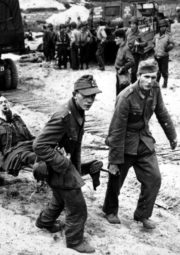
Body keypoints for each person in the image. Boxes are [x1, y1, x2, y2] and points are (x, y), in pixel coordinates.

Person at [103, 59, 177, 229]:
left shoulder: (155, 89)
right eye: (146, 77)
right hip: (124, 142)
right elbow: (116, 129)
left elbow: (161, 112)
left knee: (154, 178)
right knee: (116, 178)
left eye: (153, 77)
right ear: (138, 76)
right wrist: (114, 160)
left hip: (144, 140)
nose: (150, 81)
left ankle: (142, 215)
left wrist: (172, 136)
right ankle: (110, 210)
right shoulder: (126, 96)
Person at [34, 75, 102, 253]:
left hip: (64, 167)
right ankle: (74, 242)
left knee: (59, 197)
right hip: (56, 167)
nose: (90, 101)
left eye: (93, 96)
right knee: (78, 209)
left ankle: (44, 222)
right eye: (85, 96)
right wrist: (64, 164)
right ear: (75, 94)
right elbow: (39, 145)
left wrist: (76, 172)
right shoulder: (64, 115)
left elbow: (76, 146)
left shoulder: (78, 111)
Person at [0, 94, 36, 176]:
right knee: (34, 157)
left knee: (46, 149)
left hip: (27, 146)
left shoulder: (16, 118)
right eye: (0, 103)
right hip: (12, 153)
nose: (4, 104)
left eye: (5, 102)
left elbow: (29, 136)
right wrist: (2, 165)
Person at [153, 19, 174, 88]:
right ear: (159, 27)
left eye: (164, 26)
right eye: (161, 26)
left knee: (164, 71)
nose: (162, 28)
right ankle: (156, 83)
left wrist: (167, 48)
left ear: (166, 27)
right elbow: (153, 43)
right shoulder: (156, 36)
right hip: (157, 56)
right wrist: (154, 49)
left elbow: (172, 44)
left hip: (164, 56)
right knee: (157, 70)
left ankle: (165, 83)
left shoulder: (168, 36)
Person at [126, 17, 147, 83]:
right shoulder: (128, 32)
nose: (132, 25)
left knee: (134, 71)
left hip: (135, 53)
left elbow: (145, 43)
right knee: (125, 68)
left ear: (137, 25)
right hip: (128, 52)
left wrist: (139, 44)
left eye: (134, 24)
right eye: (131, 24)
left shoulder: (140, 33)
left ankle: (133, 84)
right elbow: (125, 40)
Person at [114, 29, 134, 96]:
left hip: (123, 74)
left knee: (122, 94)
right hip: (118, 74)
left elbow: (132, 61)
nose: (115, 40)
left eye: (117, 38)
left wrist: (123, 68)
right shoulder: (120, 47)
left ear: (122, 38)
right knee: (118, 93)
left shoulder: (126, 49)